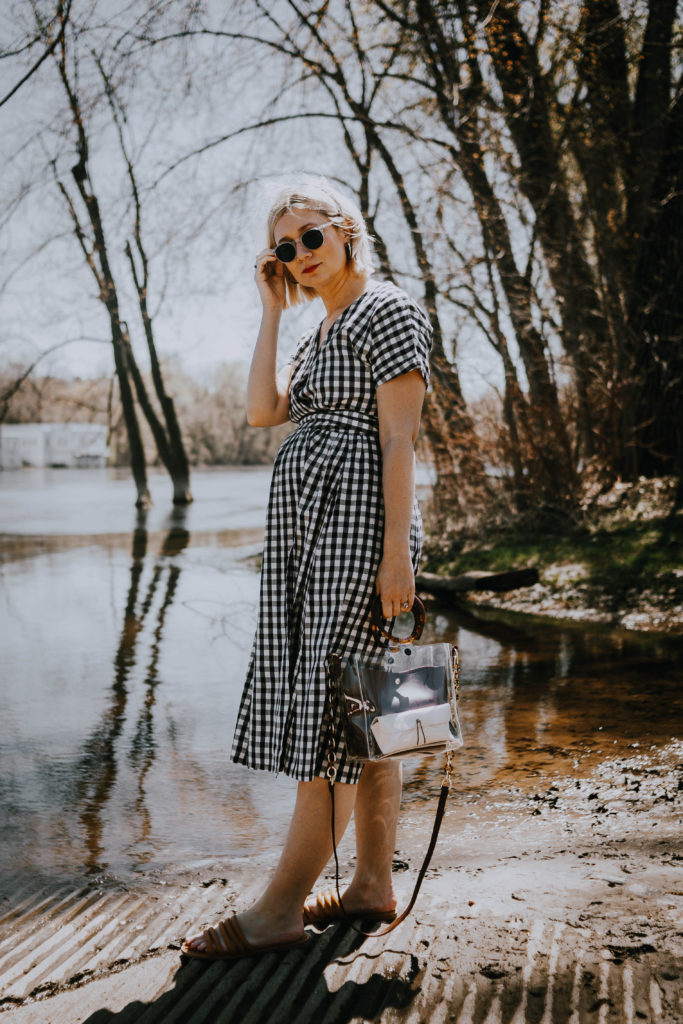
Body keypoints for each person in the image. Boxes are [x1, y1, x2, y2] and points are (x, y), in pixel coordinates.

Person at [182, 178, 432, 960]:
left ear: (347, 231)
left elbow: (398, 442)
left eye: (311, 237)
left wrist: (396, 557)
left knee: (331, 713)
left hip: (360, 527)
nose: (300, 255)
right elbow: (260, 412)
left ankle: (279, 908)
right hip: (312, 536)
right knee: (371, 713)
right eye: (285, 247)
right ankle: (368, 887)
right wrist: (269, 310)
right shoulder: (321, 331)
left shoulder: (386, 309)